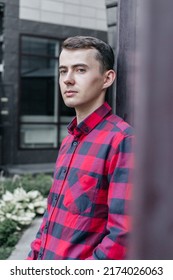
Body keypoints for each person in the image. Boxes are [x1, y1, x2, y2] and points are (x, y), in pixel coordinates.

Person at [27, 36, 134, 260]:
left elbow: (123, 237)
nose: (68, 79)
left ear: (107, 78)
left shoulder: (122, 140)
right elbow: (50, 218)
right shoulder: (69, 141)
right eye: (63, 70)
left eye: (80, 70)